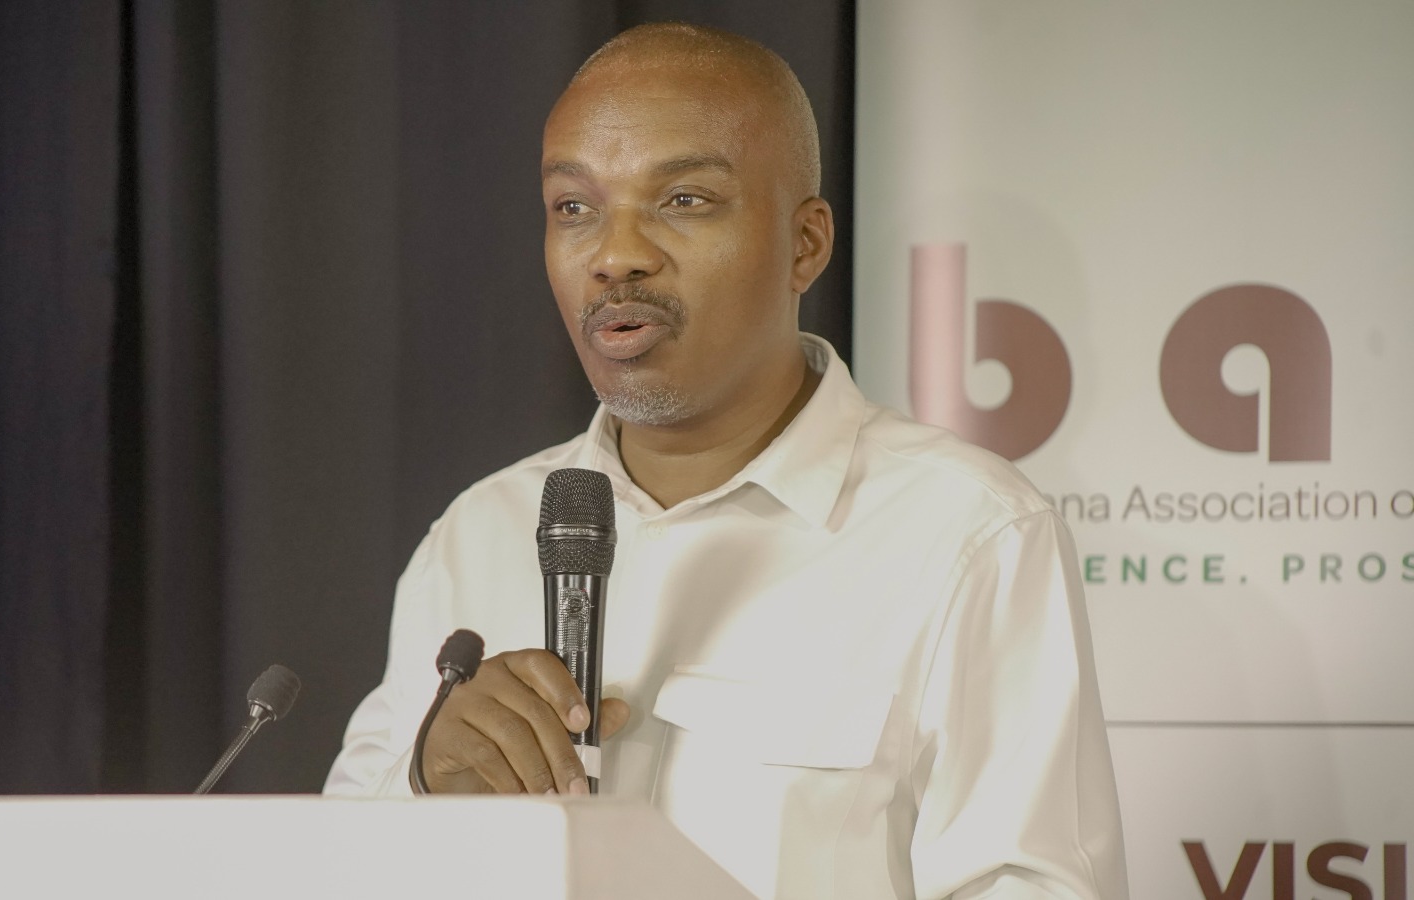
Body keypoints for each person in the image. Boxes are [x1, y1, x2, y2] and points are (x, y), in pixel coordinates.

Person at [325, 22, 1128, 899]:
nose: (616, 256)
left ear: (804, 244)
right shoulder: (479, 533)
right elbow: (327, 866)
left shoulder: (967, 533)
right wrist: (429, 779)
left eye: (684, 200)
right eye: (574, 208)